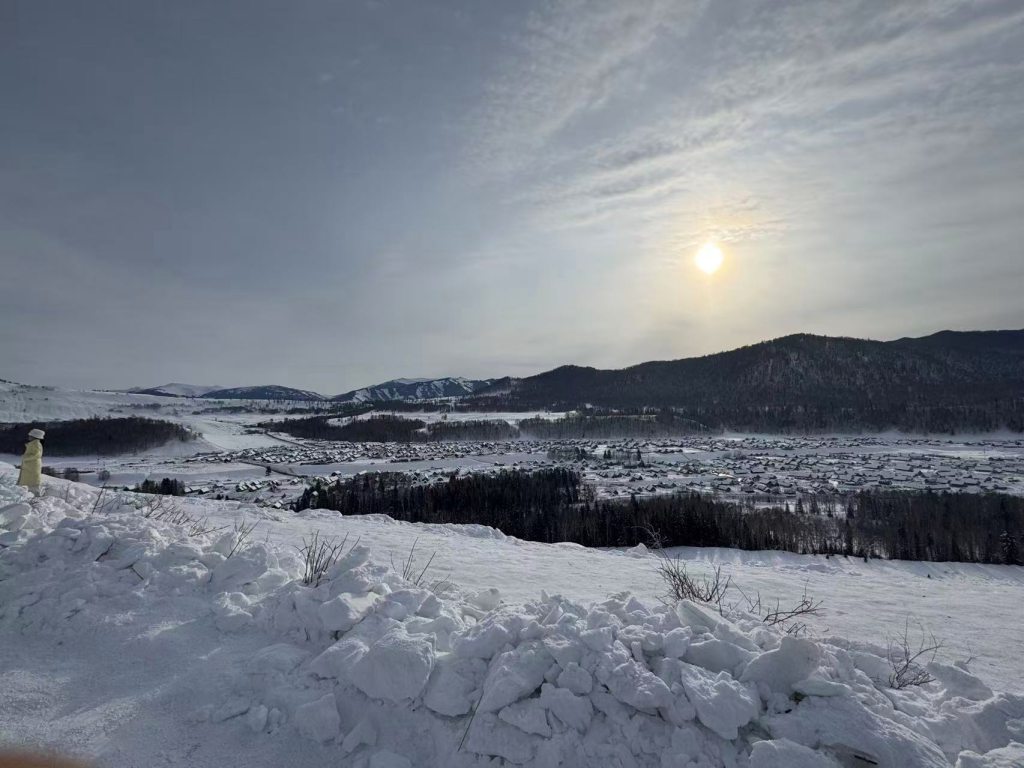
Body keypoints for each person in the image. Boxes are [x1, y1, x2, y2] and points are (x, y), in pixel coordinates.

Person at [16, 428, 45, 494]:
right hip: (31, 465)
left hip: (33, 465)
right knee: (30, 481)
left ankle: (36, 496)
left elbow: (36, 454)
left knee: (33, 482)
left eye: (30, 436)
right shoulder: (34, 443)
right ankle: (31, 495)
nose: (29, 437)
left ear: (34, 436)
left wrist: (25, 457)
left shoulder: (36, 444)